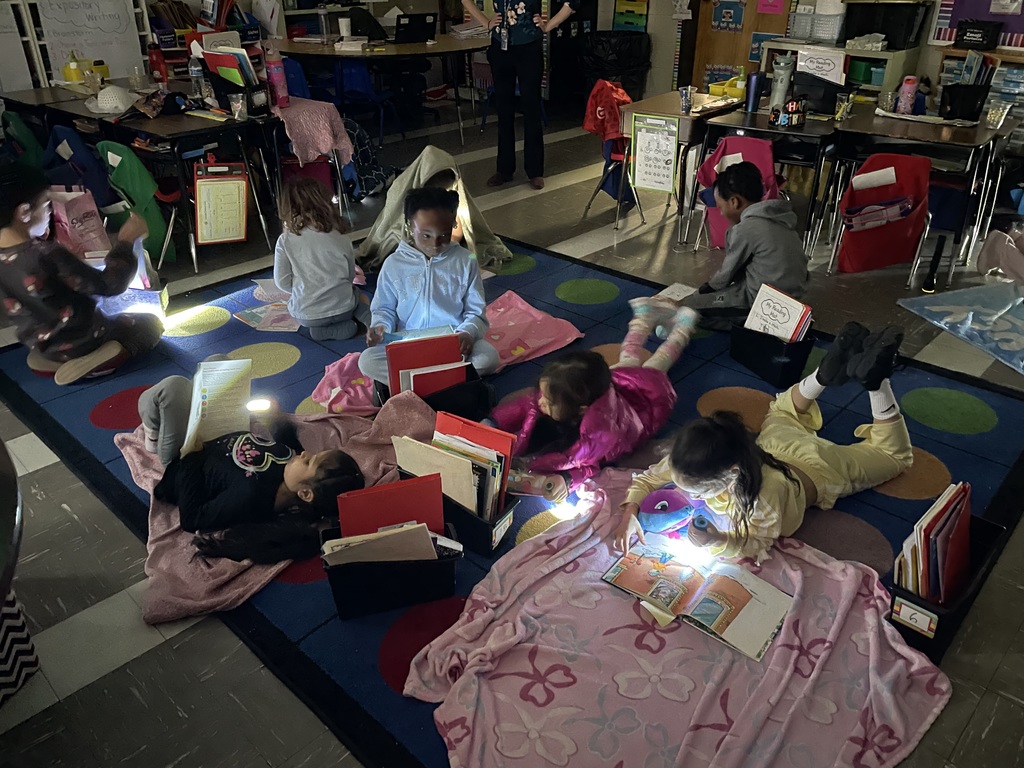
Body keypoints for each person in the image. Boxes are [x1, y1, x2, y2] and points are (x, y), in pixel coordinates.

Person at [614, 322, 914, 562]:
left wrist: (720, 541)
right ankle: (823, 375)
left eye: (695, 490)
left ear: (730, 475)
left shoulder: (764, 496)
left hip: (822, 470)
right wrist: (630, 513)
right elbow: (649, 478)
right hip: (776, 445)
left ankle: (876, 382)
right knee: (781, 411)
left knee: (894, 455)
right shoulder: (699, 453)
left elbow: (758, 542)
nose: (681, 489)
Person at [140, 373, 364, 563]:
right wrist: (276, 418)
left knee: (174, 387)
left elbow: (192, 518)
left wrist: (191, 456)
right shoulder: (289, 469)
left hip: (185, 454)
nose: (304, 454)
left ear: (305, 493)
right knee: (221, 367)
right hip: (217, 428)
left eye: (308, 461)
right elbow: (287, 443)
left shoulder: (250, 496)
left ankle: (153, 432)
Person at [492, 297, 698, 501]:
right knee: (629, 357)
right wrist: (493, 421)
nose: (540, 401)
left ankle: (682, 328)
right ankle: (644, 319)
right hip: (619, 386)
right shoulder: (570, 393)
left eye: (549, 400)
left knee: (658, 362)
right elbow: (526, 404)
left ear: (581, 409)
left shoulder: (601, 435)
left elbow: (591, 465)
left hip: (649, 398)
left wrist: (566, 479)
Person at [0, 159, 161, 385]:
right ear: (24, 212)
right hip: (86, 339)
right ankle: (102, 358)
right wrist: (126, 241)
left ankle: (53, 360)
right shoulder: (46, 254)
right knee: (149, 324)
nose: (49, 213)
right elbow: (110, 285)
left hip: (44, 344)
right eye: (46, 205)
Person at [359, 187, 499, 389]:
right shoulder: (393, 264)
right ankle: (446, 381)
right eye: (426, 235)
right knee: (367, 360)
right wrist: (381, 328)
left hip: (452, 341)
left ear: (453, 224)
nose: (435, 244)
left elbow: (476, 312)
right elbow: (384, 309)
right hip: (408, 343)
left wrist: (467, 333)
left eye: (444, 234)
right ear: (409, 226)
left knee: (488, 358)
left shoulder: (465, 261)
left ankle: (416, 383)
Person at [461, 0, 577, 190]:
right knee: (504, 108)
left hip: (529, 47)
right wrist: (486, 23)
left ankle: (535, 170)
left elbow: (573, 3)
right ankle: (504, 169)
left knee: (531, 107)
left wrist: (548, 25)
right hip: (500, 47)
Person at [684, 161, 808, 329]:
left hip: (761, 302)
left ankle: (754, 324)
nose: (720, 213)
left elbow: (725, 277)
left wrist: (697, 295)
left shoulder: (746, 229)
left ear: (734, 202)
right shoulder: (780, 217)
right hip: (795, 299)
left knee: (692, 309)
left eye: (720, 207)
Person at [357, 145, 512, 270]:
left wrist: (445, 240)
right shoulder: (402, 189)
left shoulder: (452, 193)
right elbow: (392, 228)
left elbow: (461, 225)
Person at [274, 177, 370, 341]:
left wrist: (306, 289)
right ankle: (370, 322)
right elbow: (349, 276)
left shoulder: (285, 240)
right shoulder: (340, 235)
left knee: (301, 306)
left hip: (307, 315)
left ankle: (321, 330)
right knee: (360, 297)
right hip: (344, 308)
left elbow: (282, 282)